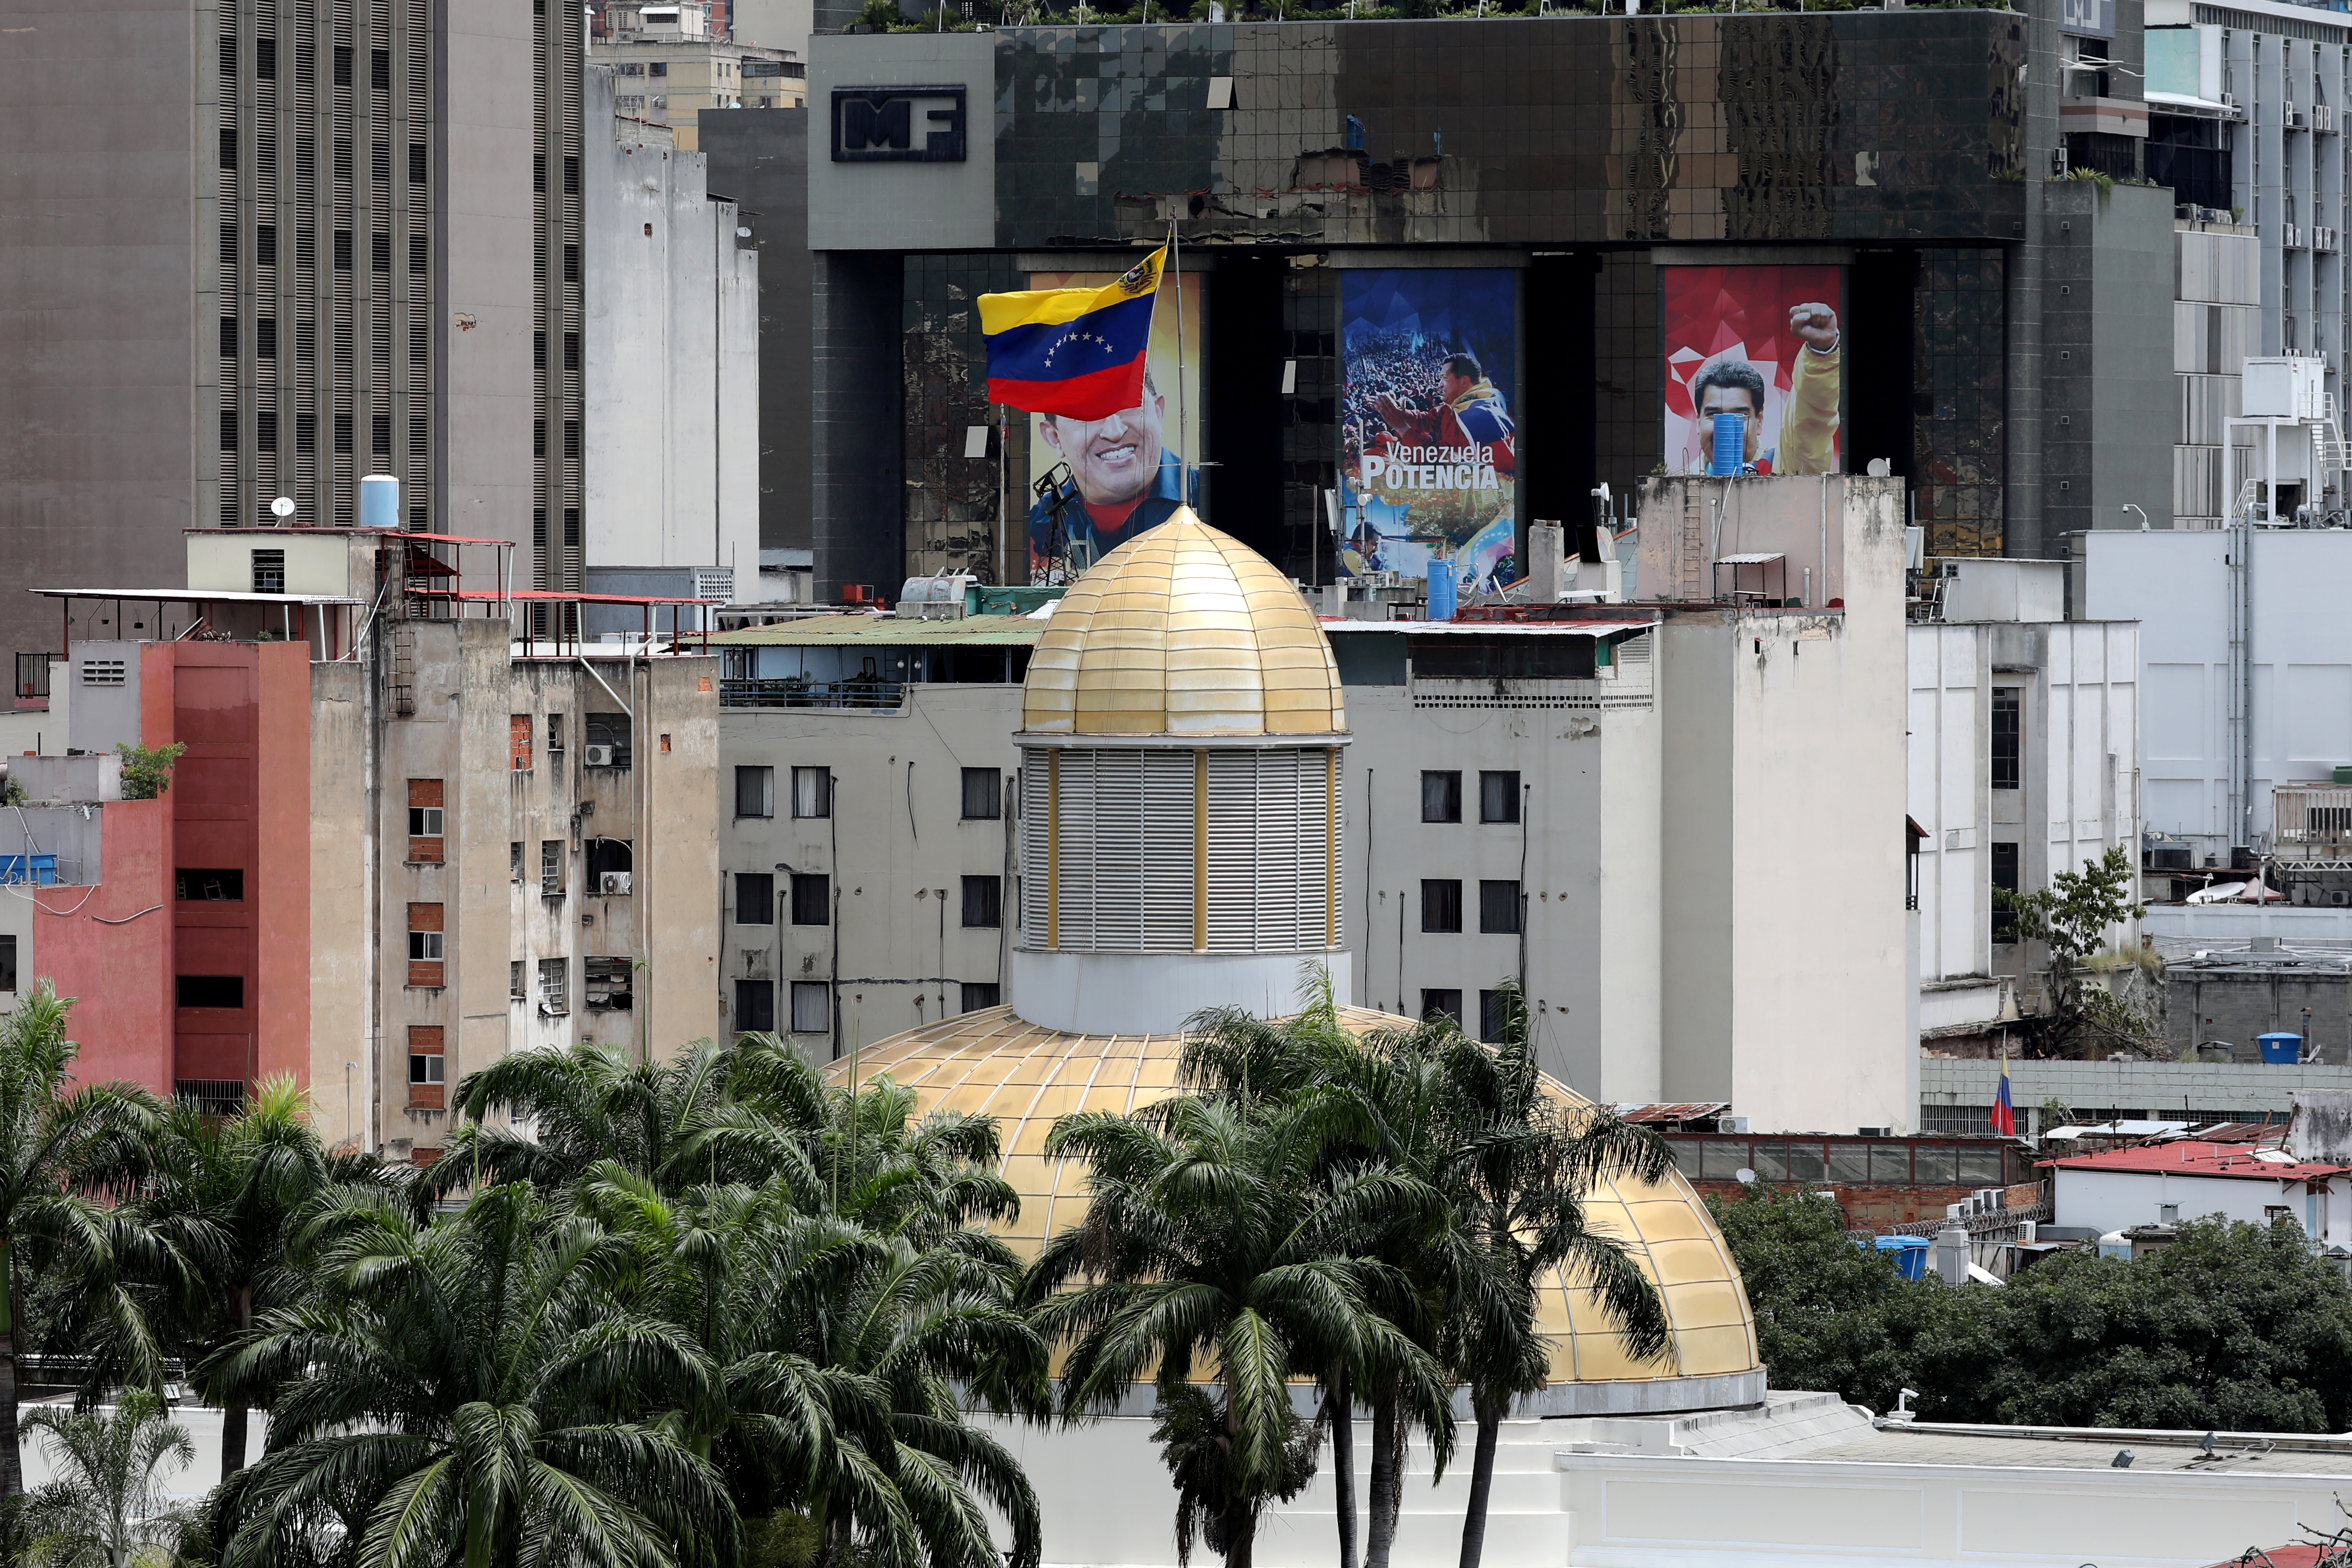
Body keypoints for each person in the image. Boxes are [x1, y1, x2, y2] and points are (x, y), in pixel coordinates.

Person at [1027, 369, 1189, 575]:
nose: (1114, 432)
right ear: (1054, 438)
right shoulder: (1038, 528)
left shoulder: (1209, 499)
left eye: (1130, 405)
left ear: (1159, 413)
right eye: (1086, 413)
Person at [1681, 302, 1841, 476]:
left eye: (1740, 415)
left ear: (1759, 420)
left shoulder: (1781, 469)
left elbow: (1810, 422)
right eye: (1714, 415)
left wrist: (1821, 353)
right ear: (1698, 422)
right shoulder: (1677, 489)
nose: (1726, 427)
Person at [1366, 351, 1516, 475]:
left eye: (1445, 378)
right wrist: (1400, 413)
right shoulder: (1486, 394)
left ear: (1464, 382)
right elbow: (1433, 419)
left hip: (1489, 491)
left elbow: (1436, 461)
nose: (1439, 385)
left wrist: (1402, 428)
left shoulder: (1467, 422)